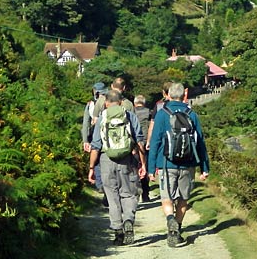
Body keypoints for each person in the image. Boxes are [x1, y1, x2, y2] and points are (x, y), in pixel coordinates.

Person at [147, 82, 209, 248]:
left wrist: (151, 168)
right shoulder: (191, 114)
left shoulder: (162, 114)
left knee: (166, 197)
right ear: (185, 95)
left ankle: (170, 220)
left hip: (166, 163)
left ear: (167, 95)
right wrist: (204, 167)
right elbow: (200, 142)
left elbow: (155, 142)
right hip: (188, 164)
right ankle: (176, 231)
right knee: (183, 198)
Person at [88, 89, 147, 245]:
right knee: (129, 194)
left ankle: (118, 232)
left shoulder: (102, 118)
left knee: (112, 197)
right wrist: (143, 164)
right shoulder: (130, 116)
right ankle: (128, 220)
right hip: (127, 160)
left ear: (106, 103)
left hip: (106, 161)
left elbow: (95, 146)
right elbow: (140, 142)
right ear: (121, 102)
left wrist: (91, 168)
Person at [82, 82, 108, 201]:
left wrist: (85, 140)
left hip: (96, 136)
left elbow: (86, 123)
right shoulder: (113, 100)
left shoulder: (91, 104)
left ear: (95, 91)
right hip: (112, 137)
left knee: (97, 161)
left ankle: (101, 185)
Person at [133, 94, 152, 202]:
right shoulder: (149, 112)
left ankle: (135, 192)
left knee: (134, 168)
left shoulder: (131, 112)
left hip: (135, 144)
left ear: (135, 103)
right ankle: (145, 194)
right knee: (146, 168)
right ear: (144, 103)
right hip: (146, 143)